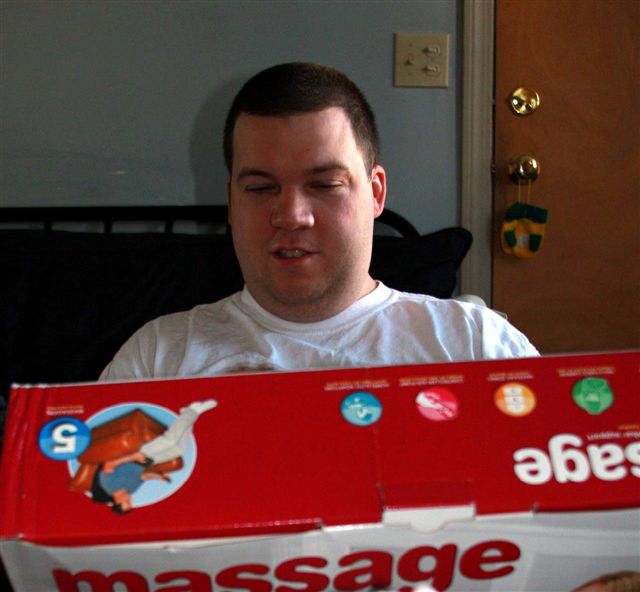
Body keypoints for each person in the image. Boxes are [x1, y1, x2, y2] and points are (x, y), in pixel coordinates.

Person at [100, 62, 538, 381]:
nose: (291, 216)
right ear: (231, 201)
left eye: (325, 185)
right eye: (260, 187)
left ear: (376, 193)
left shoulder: (476, 348)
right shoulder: (158, 360)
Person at [89, 400, 217, 513]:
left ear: (118, 502)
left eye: (127, 502)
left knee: (170, 440)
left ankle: (192, 411)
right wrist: (159, 477)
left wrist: (134, 456)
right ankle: (188, 414)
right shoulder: (131, 490)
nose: (130, 500)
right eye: (130, 503)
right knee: (180, 449)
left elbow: (108, 464)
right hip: (148, 461)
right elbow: (143, 477)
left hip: (138, 454)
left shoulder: (109, 486)